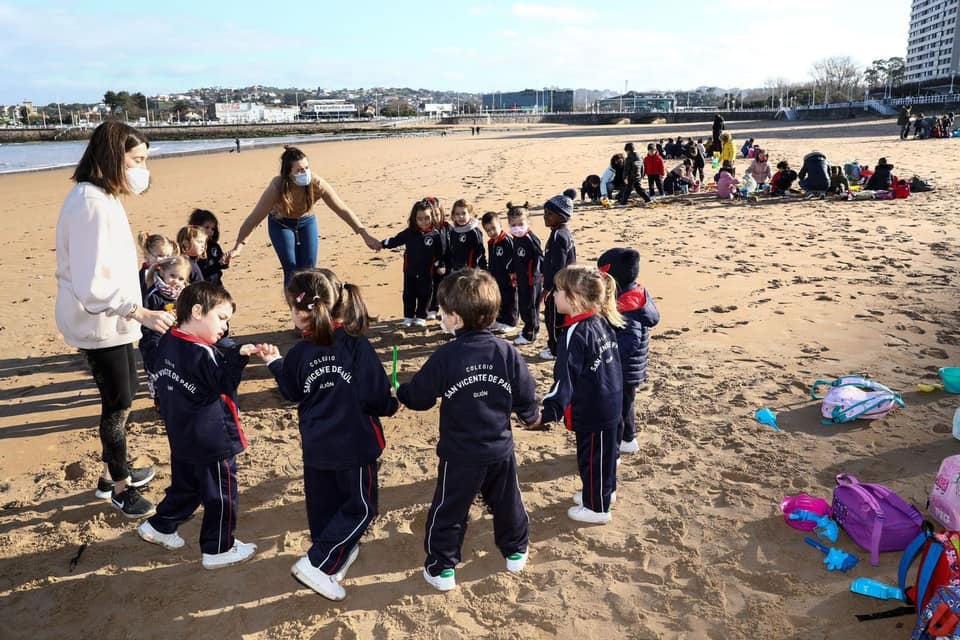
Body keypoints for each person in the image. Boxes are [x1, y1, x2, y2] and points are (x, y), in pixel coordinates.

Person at [55, 120, 174, 518]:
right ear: (112, 158)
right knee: (118, 401)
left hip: (115, 319)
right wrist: (138, 310)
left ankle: (112, 472)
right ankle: (119, 488)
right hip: (97, 321)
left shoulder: (103, 197)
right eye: (136, 160)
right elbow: (91, 284)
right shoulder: (89, 202)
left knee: (126, 393)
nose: (142, 169)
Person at [257, 269, 398, 600]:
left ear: (300, 310)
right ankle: (317, 564)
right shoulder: (356, 346)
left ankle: (336, 554)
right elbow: (376, 397)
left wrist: (275, 363)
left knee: (324, 506)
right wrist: (392, 403)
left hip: (318, 446)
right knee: (361, 508)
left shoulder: (299, 353)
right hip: (355, 445)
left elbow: (291, 390)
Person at [396, 269, 540, 591]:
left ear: (456, 319)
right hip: (500, 449)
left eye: (443, 313)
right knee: (507, 501)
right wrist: (530, 415)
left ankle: (441, 566)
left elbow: (419, 396)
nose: (441, 318)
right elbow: (526, 392)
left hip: (460, 455)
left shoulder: (447, 356)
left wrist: (403, 394)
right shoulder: (507, 352)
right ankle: (515, 550)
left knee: (450, 508)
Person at [137, 282, 260, 568]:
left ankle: (160, 526)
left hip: (181, 436)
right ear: (196, 311)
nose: (225, 328)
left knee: (187, 486)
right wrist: (238, 358)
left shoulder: (168, 341)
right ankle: (218, 548)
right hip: (212, 439)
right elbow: (224, 383)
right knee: (221, 495)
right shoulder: (204, 353)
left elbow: (154, 363)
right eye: (221, 318)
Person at [225, 146, 381, 287]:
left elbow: (342, 209)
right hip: (281, 224)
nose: (304, 173)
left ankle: (310, 308)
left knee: (309, 268)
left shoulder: (316, 183)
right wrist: (239, 246)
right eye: (299, 170)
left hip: (306, 222)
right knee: (292, 269)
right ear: (288, 173)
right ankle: (296, 310)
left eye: (306, 168)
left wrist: (365, 235)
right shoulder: (276, 187)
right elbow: (254, 218)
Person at [540, 265, 624, 524]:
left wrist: (548, 411)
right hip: (611, 401)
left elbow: (564, 380)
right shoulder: (601, 319)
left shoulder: (574, 333)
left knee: (592, 458)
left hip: (593, 407)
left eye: (558, 291)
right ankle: (604, 494)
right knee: (606, 456)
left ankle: (597, 508)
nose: (553, 296)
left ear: (574, 298)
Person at [596, 249, 660, 455]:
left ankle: (613, 451)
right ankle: (628, 439)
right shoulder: (635, 292)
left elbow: (631, 340)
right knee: (625, 406)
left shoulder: (629, 304)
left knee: (616, 410)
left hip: (624, 368)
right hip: (629, 368)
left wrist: (609, 355)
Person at [381, 198, 445, 327]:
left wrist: (441, 265)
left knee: (425, 295)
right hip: (409, 271)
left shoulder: (436, 235)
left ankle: (421, 316)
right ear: (414, 219)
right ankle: (408, 317)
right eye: (420, 219)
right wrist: (382, 244)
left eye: (427, 218)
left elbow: (441, 253)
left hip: (427, 272)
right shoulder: (409, 233)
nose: (423, 222)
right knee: (408, 295)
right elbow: (395, 240)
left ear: (432, 217)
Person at [139, 255, 193, 400]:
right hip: (154, 339)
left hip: (176, 337)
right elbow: (144, 320)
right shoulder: (152, 295)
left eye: (181, 279)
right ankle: (158, 396)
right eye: (172, 276)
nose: (176, 281)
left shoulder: (183, 295)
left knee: (178, 369)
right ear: (162, 271)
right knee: (156, 370)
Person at [540, 195, 577, 361]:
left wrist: (548, 288)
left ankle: (555, 349)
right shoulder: (560, 233)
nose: (545, 217)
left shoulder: (559, 237)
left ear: (561, 216)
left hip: (558, 288)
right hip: (562, 287)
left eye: (549, 213)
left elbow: (558, 267)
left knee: (553, 318)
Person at [507, 202, 543, 346]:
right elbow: (516, 256)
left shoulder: (530, 238)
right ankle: (531, 327)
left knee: (530, 306)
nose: (517, 228)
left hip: (531, 279)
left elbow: (540, 257)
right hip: (521, 278)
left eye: (520, 223)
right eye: (513, 225)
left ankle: (530, 334)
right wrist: (513, 270)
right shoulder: (516, 238)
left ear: (528, 222)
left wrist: (535, 275)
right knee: (523, 305)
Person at [481, 211, 518, 334]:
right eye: (488, 230)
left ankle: (511, 322)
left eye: (493, 228)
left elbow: (513, 258)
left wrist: (512, 273)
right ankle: (500, 319)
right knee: (499, 299)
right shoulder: (491, 243)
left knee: (510, 299)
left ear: (500, 225)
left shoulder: (507, 241)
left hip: (508, 277)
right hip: (496, 277)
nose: (491, 232)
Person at [188, 209, 228, 285]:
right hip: (200, 287)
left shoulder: (214, 247)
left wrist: (224, 262)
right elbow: (200, 272)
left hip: (216, 286)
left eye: (213, 229)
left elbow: (220, 262)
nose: (210, 231)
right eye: (206, 227)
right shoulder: (193, 249)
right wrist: (217, 265)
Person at [448, 199, 487, 271]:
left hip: (472, 270)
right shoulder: (453, 231)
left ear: (470, 214)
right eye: (457, 214)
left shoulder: (474, 231)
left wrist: (477, 268)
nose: (461, 216)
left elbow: (480, 251)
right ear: (453, 215)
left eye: (464, 213)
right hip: (457, 269)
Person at [137, 232, 178, 298]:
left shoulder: (167, 270)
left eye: (168, 256)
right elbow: (145, 298)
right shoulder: (145, 274)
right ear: (147, 254)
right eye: (160, 255)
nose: (165, 259)